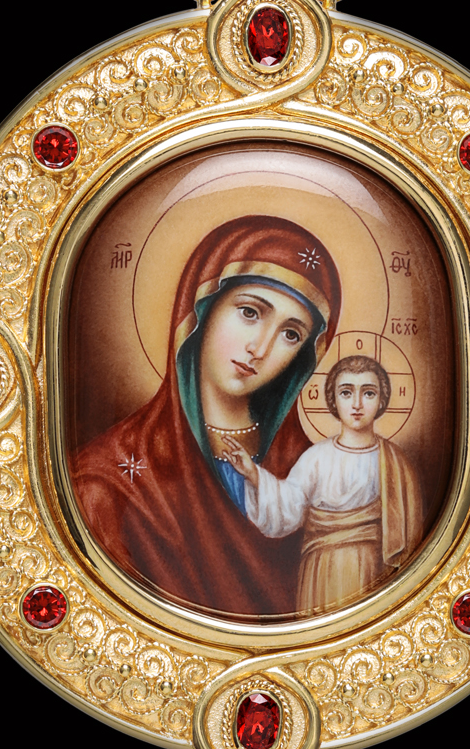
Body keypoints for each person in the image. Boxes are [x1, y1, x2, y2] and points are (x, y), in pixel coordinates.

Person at [70, 215, 342, 619]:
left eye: (291, 334)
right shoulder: (109, 481)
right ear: (201, 310)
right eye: (250, 312)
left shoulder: (312, 470)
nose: (260, 348)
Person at [223, 354, 423, 615]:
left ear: (382, 400)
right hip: (322, 568)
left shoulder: (397, 463)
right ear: (333, 399)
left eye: (368, 393)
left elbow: (411, 540)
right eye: (346, 392)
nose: (357, 404)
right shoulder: (317, 457)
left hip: (373, 570)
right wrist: (253, 474)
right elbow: (288, 506)